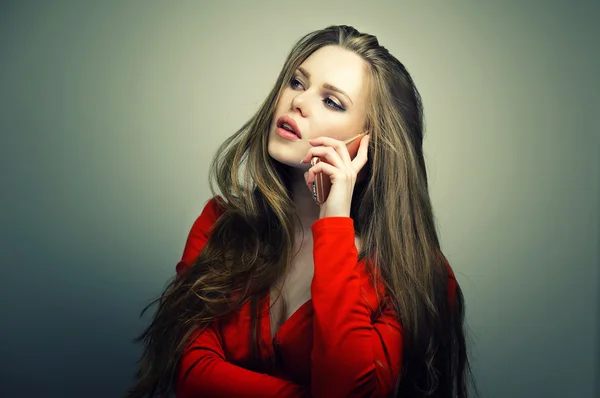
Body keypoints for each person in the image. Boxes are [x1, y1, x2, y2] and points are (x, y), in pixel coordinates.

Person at [128, 25, 475, 398]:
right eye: (297, 82)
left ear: (369, 144)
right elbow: (190, 374)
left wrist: (335, 220)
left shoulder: (411, 273)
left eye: (332, 101)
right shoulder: (220, 225)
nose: (299, 102)